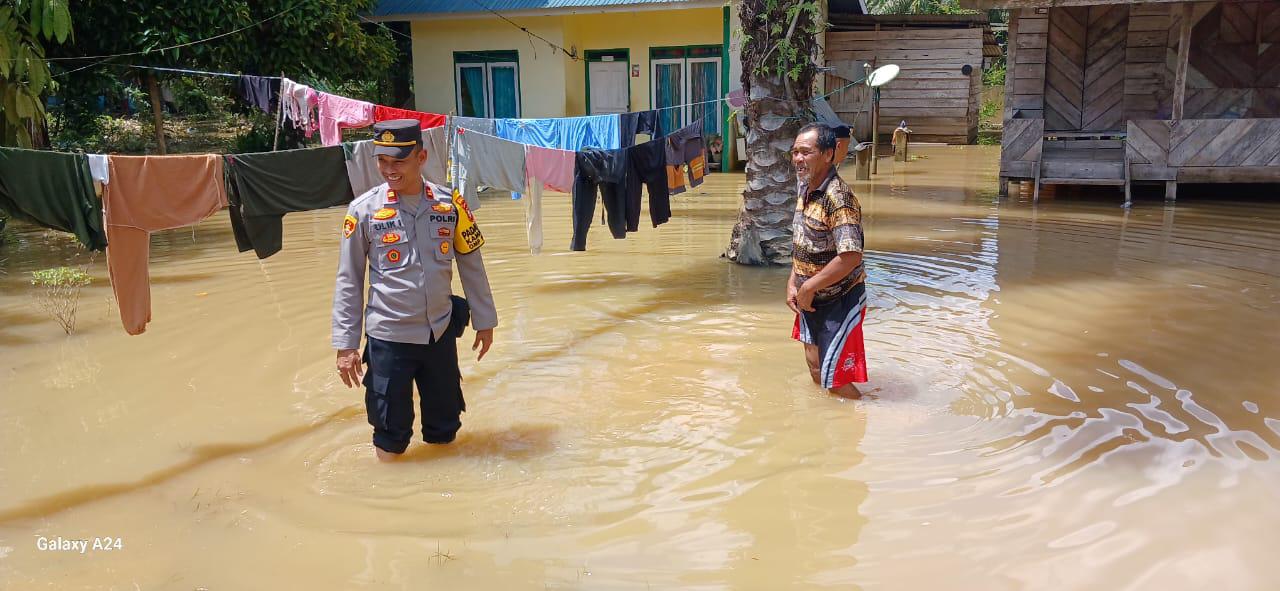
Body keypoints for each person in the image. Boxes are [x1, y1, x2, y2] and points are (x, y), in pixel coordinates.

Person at [332, 119, 498, 461]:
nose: (388, 170)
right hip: (389, 338)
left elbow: (471, 263)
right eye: (382, 161)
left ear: (421, 157)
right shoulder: (363, 211)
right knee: (390, 431)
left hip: (438, 334)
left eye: (398, 161)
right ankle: (392, 499)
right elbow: (349, 279)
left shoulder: (450, 205)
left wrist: (485, 320)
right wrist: (346, 345)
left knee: (445, 426)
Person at [787, 123, 869, 399]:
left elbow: (850, 257)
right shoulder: (805, 188)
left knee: (834, 379)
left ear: (828, 154)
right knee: (815, 367)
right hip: (809, 297)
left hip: (840, 298)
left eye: (806, 152)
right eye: (795, 152)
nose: (798, 158)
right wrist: (793, 281)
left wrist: (808, 288)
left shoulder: (839, 198)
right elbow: (803, 239)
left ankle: (866, 420)